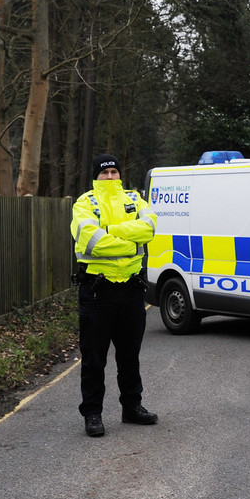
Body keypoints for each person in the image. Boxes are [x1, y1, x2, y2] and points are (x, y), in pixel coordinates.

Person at [70, 154, 158, 437]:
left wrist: (110, 230)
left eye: (114, 172)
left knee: (130, 355)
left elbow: (149, 227)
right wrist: (129, 245)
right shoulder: (85, 203)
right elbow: (90, 240)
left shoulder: (135, 199)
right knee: (94, 357)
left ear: (120, 175)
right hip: (98, 291)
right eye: (105, 173)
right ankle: (92, 413)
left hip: (131, 290)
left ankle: (132, 407)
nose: (110, 177)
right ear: (96, 176)